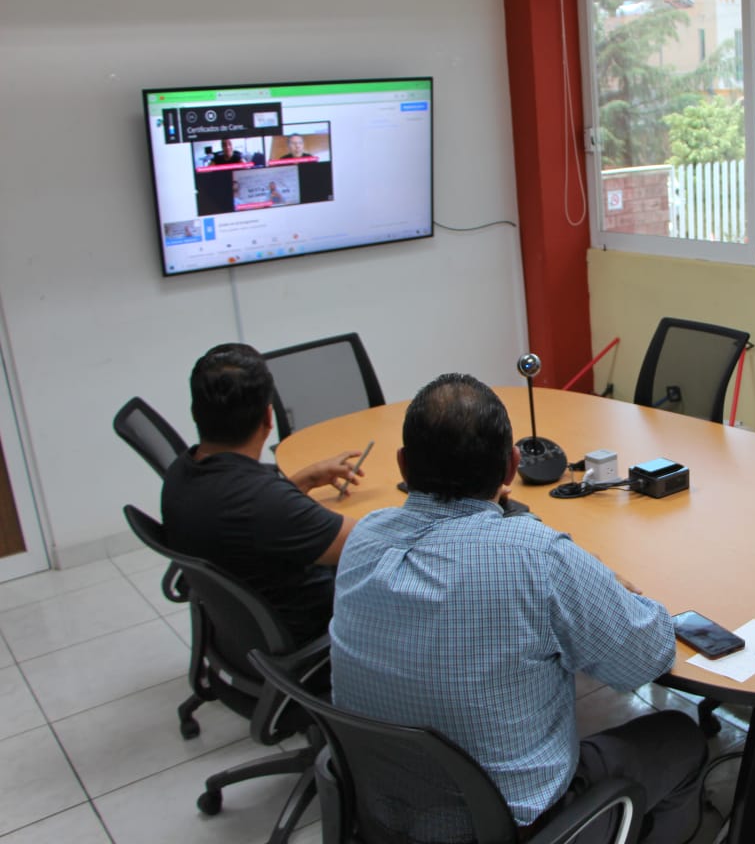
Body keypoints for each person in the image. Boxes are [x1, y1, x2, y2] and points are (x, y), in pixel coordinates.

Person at [330, 373, 707, 842]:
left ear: (403, 466)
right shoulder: (537, 558)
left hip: (388, 808)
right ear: (511, 468)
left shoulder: (364, 536)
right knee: (681, 736)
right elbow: (646, 656)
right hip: (511, 827)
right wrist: (601, 584)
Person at [162, 343, 364, 644]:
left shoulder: (182, 471)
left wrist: (299, 482)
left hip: (248, 633)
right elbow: (371, 543)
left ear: (195, 412)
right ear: (269, 419)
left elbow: (249, 516)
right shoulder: (265, 504)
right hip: (318, 634)